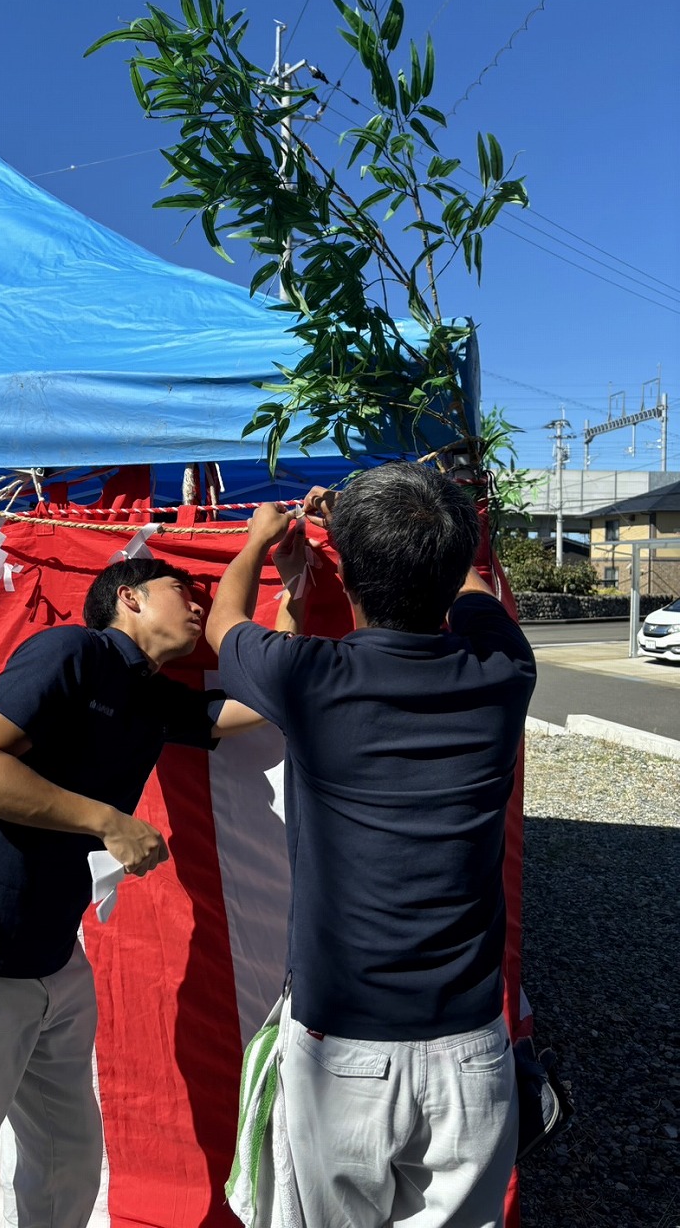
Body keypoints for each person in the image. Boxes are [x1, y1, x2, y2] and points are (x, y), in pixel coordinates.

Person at [0, 555, 268, 1228]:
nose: (198, 605)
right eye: (183, 591)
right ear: (129, 599)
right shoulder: (71, 650)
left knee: (67, 1167)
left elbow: (248, 704)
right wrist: (107, 820)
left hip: (56, 959)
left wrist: (277, 570)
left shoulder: (149, 692)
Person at [206, 461, 537, 1228]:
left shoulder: (308, 677)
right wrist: (415, 532)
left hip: (342, 1045)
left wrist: (257, 546)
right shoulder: (504, 671)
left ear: (349, 577)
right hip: (470, 1047)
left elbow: (225, 627)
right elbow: (475, 590)